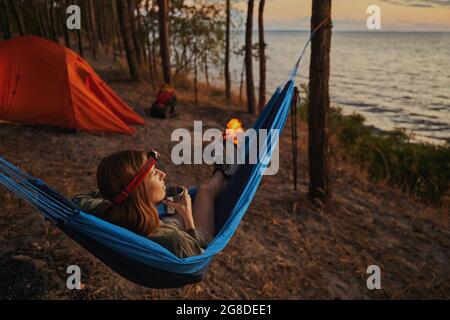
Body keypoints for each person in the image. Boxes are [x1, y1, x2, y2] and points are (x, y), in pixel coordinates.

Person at [72, 149, 237, 258]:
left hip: (155, 220)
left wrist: (121, 193)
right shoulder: (177, 241)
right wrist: (187, 217)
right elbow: (199, 254)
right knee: (205, 191)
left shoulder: (100, 212)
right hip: (193, 236)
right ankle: (222, 174)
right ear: (138, 190)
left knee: (177, 211)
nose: (163, 174)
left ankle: (221, 173)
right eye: (153, 173)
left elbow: (79, 199)